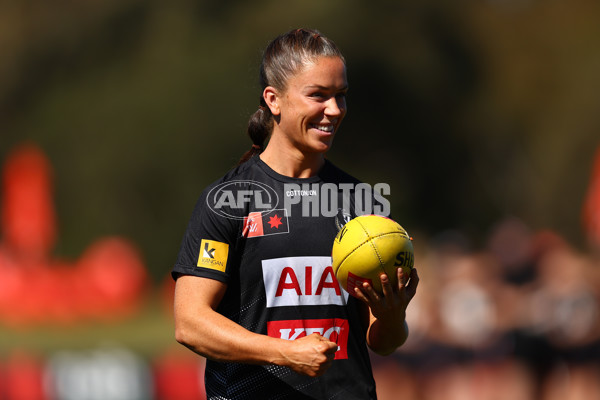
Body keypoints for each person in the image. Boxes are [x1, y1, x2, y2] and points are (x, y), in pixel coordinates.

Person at [172, 28, 419, 400]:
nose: (334, 110)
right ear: (274, 100)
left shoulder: (363, 206)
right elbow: (191, 323)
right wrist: (283, 352)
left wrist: (391, 316)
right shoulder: (229, 200)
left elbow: (383, 343)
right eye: (318, 95)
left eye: (341, 96)